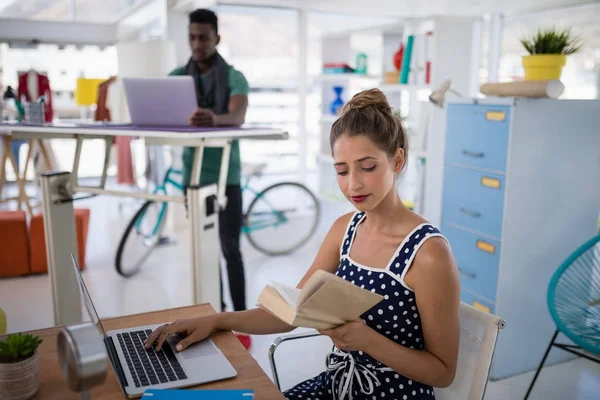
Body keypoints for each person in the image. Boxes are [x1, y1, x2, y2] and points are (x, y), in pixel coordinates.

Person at [145, 89, 460, 399]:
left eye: (367, 167)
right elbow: (290, 312)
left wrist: (369, 340)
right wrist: (216, 320)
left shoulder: (428, 253)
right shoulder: (344, 230)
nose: (354, 184)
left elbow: (443, 372)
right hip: (335, 386)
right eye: (342, 170)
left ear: (397, 160)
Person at [168, 8, 251, 347]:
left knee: (230, 248)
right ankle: (216, 318)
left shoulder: (234, 76)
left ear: (216, 38)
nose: (197, 43)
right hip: (194, 177)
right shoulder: (176, 77)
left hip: (225, 178)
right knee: (205, 251)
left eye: (203, 37)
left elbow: (237, 115)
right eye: (192, 37)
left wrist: (213, 119)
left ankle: (243, 320)